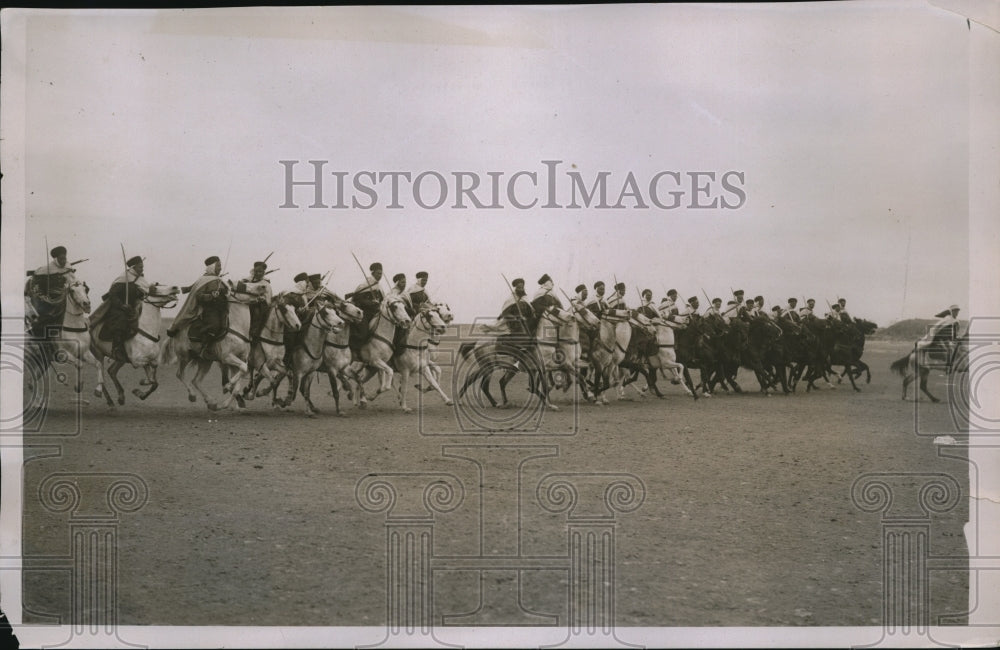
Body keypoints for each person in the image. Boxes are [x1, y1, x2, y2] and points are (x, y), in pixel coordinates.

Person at [95, 256, 149, 361]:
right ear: (133, 267)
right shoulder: (123, 278)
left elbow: (142, 293)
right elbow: (113, 294)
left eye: (142, 267)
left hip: (133, 307)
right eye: (140, 267)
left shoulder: (140, 279)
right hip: (119, 308)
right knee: (121, 319)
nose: (142, 269)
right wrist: (121, 305)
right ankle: (116, 348)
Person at [167, 256, 228, 342]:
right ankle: (203, 347)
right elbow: (198, 295)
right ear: (212, 267)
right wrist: (211, 296)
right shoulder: (204, 279)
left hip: (222, 308)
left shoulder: (219, 280)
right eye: (218, 266)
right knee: (214, 325)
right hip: (209, 309)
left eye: (220, 266)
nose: (220, 268)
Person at [26, 245, 79, 338]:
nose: (63, 261)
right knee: (47, 314)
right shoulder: (45, 270)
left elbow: (73, 281)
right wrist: (42, 296)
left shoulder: (67, 268)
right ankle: (38, 332)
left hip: (62, 295)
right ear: (56, 259)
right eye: (61, 259)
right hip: (48, 297)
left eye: (64, 259)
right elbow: (35, 285)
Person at [234, 261, 273, 340]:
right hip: (243, 302)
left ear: (263, 272)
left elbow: (268, 299)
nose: (258, 273)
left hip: (256, 305)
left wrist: (262, 299)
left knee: (256, 313)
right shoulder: (246, 280)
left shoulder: (266, 284)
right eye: (256, 271)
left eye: (260, 272)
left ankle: (253, 333)